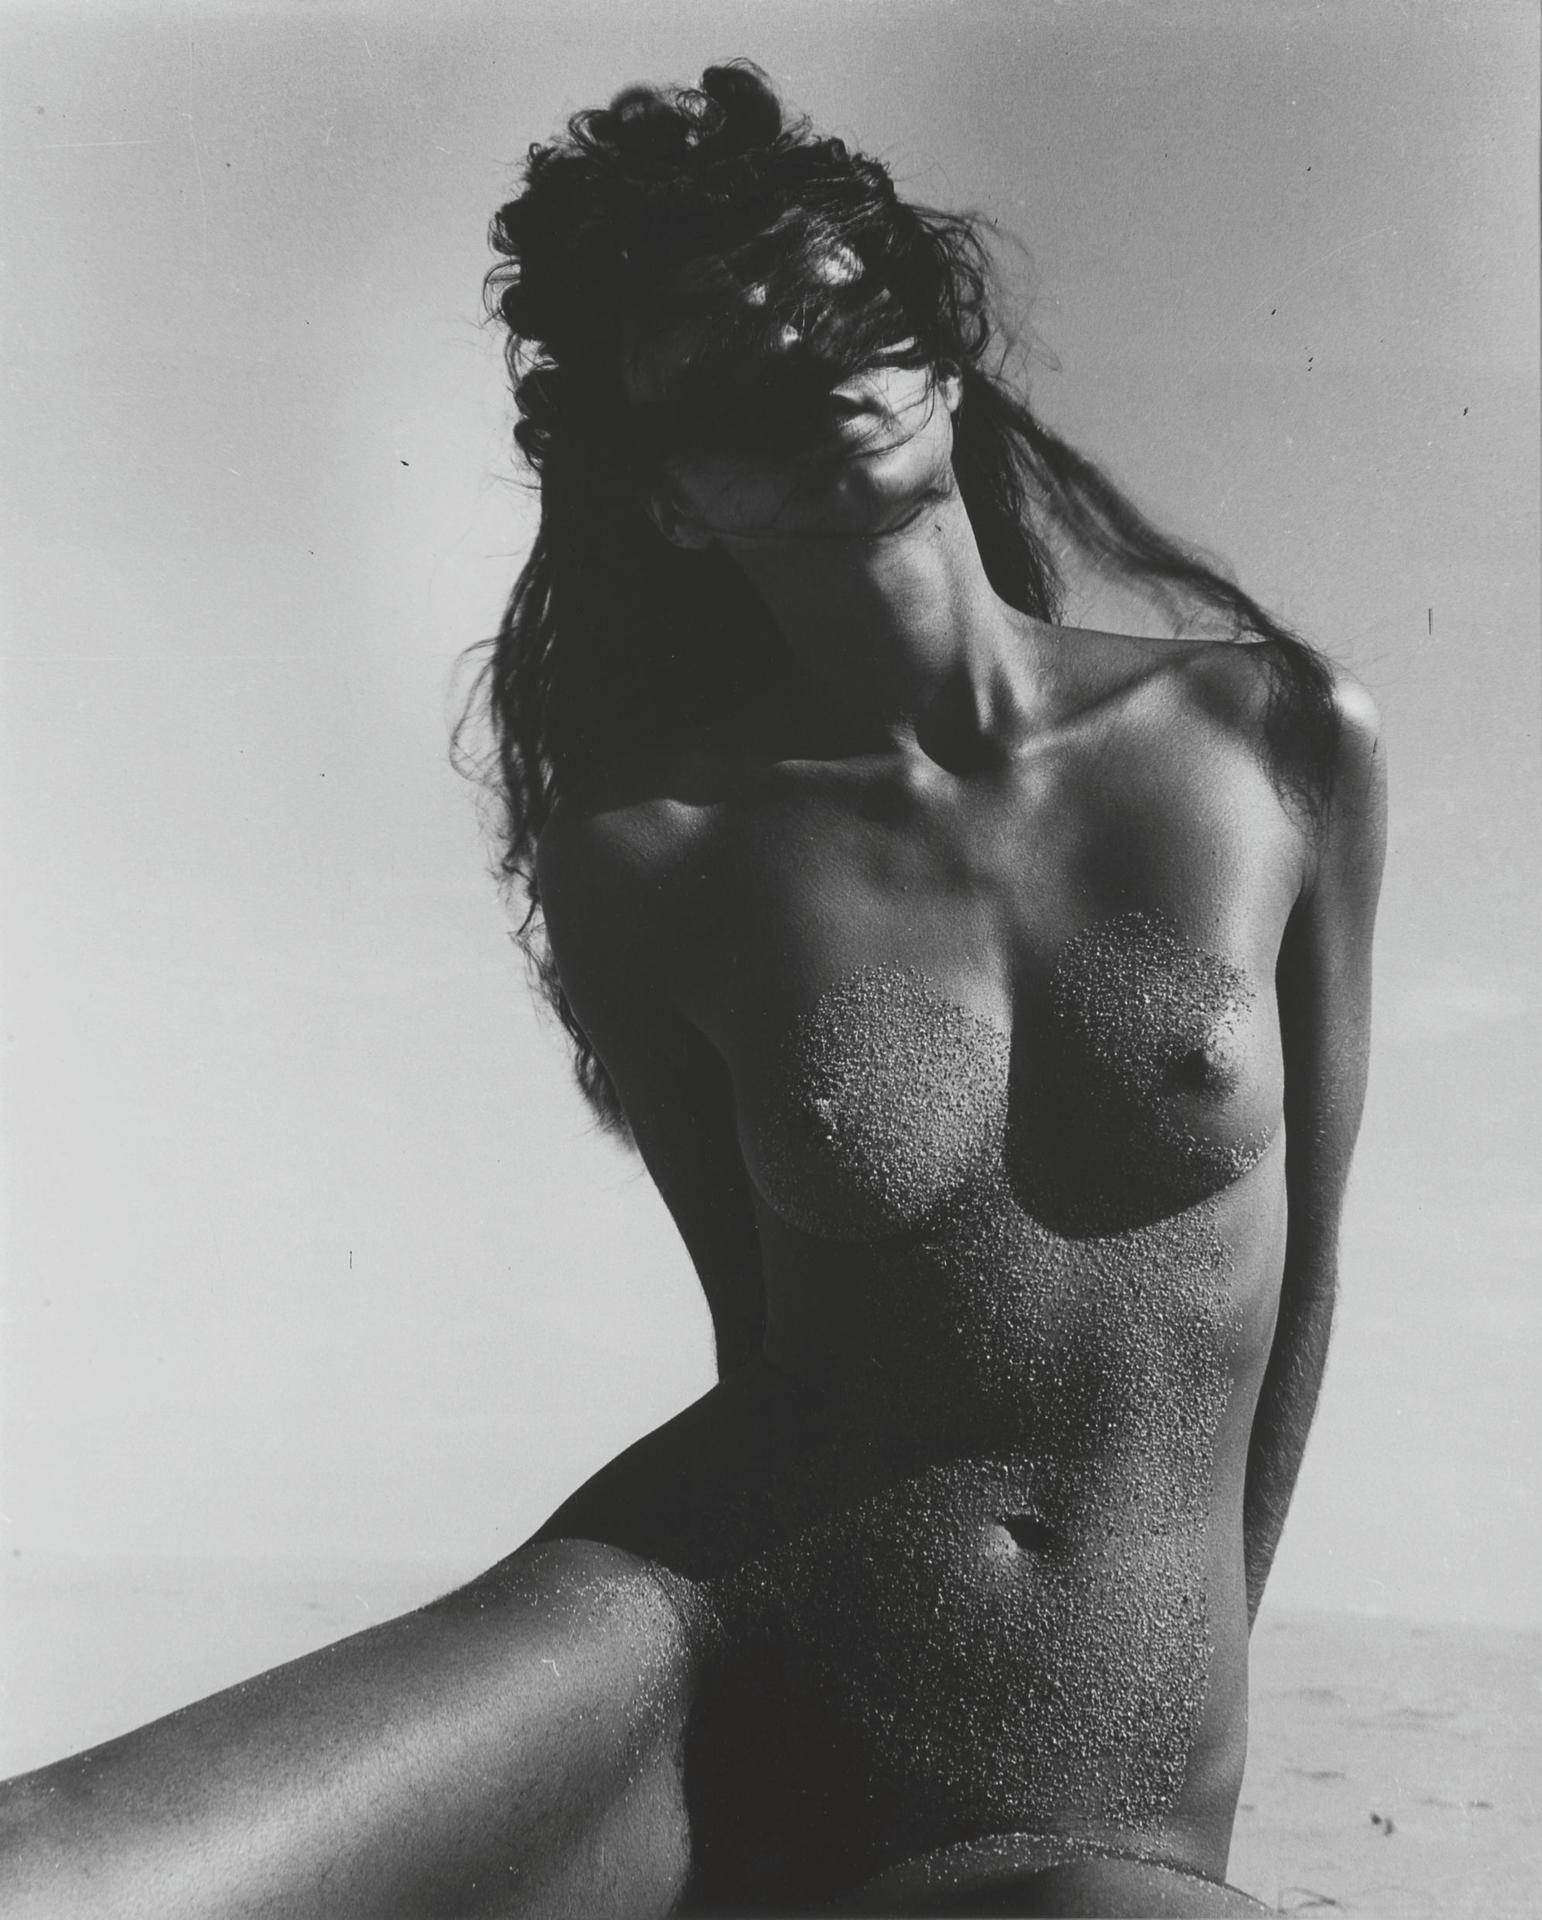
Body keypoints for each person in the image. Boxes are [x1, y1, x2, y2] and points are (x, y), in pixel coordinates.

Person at [0, 61, 1384, 1919]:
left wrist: (1175, 1711)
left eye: (840, 310)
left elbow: (1308, 1274)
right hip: (689, 1635)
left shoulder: (1270, 736)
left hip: (1078, 1775)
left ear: (941, 346)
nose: (807, 372)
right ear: (660, 496)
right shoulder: (647, 857)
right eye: (726, 378)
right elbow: (767, 1342)